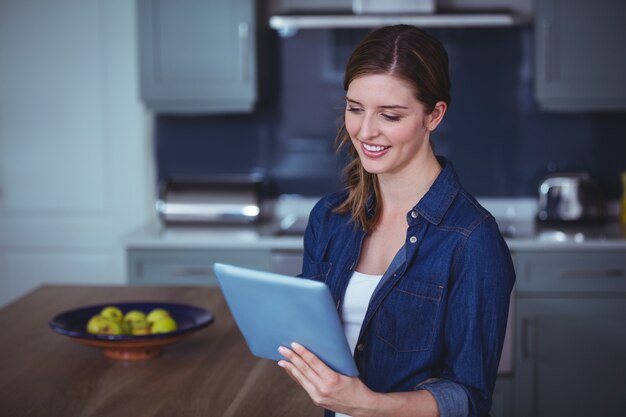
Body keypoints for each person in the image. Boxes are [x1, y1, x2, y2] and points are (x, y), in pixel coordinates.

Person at [277, 24, 515, 417]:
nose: (365, 131)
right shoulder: (329, 218)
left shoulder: (472, 240)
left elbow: (468, 398)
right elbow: (312, 337)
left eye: (389, 115)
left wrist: (368, 405)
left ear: (434, 115)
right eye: (355, 108)